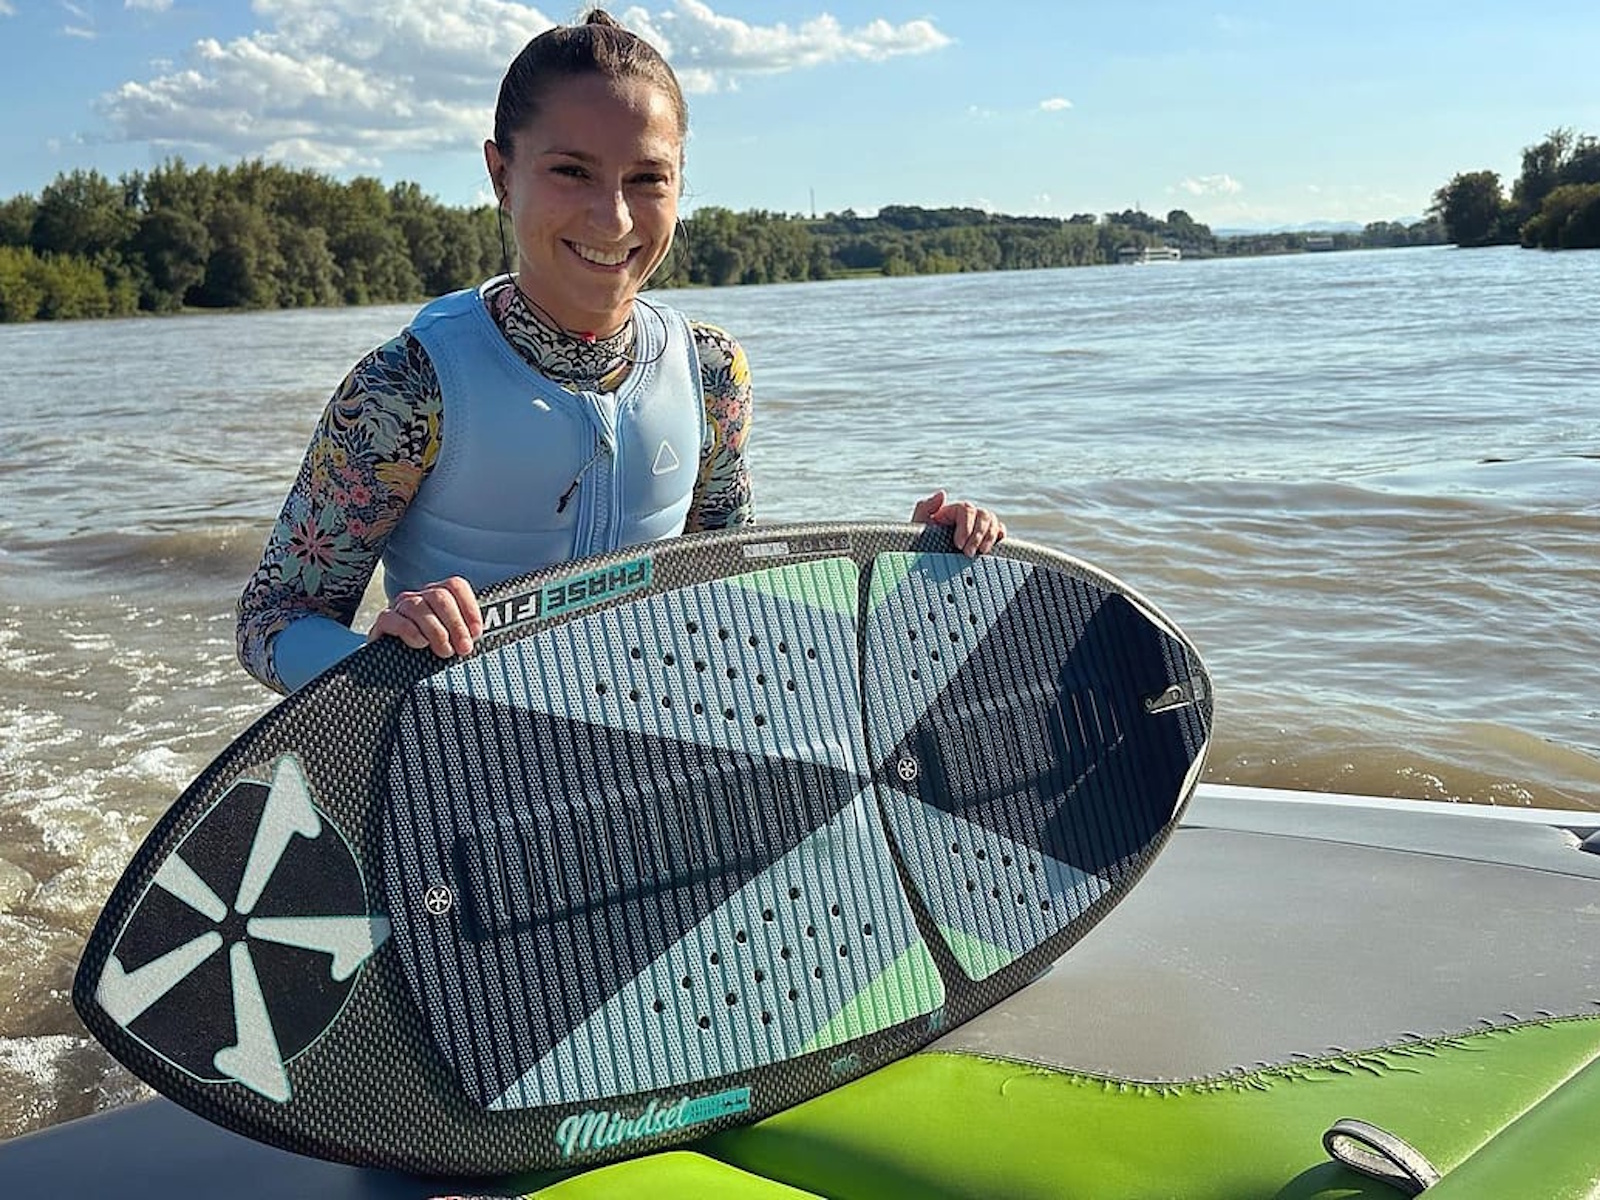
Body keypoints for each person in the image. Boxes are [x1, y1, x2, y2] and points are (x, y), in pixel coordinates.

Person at [237, 9, 1005, 695]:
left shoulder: (711, 375)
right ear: (501, 174)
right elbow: (271, 620)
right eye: (572, 171)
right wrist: (379, 660)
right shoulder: (405, 391)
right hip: (461, 775)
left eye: (647, 179)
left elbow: (735, 596)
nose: (613, 219)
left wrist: (909, 565)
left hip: (647, 771)